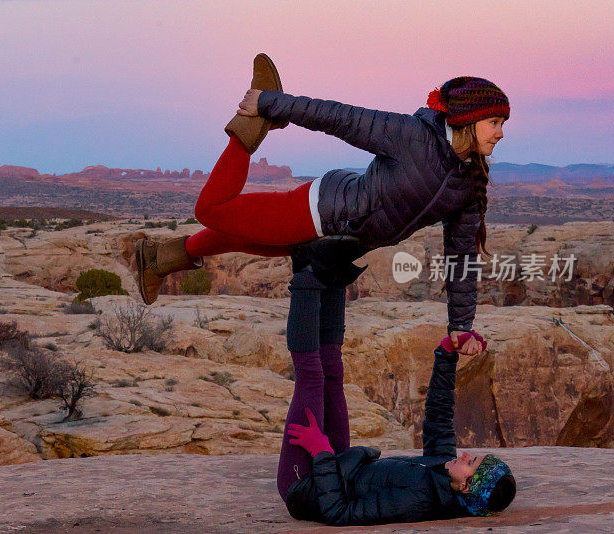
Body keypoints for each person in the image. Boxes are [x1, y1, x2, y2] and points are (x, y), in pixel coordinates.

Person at [135, 53, 509, 349]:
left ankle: (157, 261)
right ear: (467, 120)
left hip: (334, 244)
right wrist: (270, 103)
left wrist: (461, 327)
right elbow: (340, 118)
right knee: (210, 210)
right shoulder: (411, 136)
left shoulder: (467, 184)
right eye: (494, 122)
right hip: (317, 213)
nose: (501, 133)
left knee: (238, 236)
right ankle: (247, 128)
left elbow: (462, 257)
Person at [278, 254, 516, 525]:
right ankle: (331, 268)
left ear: (465, 486)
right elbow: (439, 413)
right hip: (339, 465)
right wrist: (448, 352)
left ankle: (306, 272)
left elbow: (339, 513)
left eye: (470, 462)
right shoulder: (441, 472)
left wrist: (320, 453)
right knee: (332, 368)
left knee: (312, 376)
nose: (464, 454)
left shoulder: (416, 502)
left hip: (304, 487)